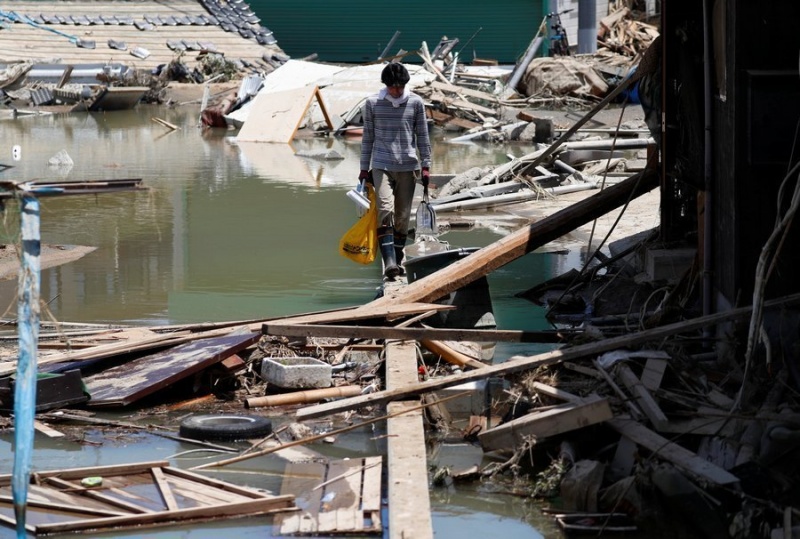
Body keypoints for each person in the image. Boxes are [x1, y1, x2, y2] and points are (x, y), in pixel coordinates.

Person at [360, 62, 432, 280]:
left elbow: (423, 135)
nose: (396, 91)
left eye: (400, 87)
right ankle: (389, 262)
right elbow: (367, 138)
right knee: (385, 209)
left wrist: (426, 165)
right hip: (381, 164)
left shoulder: (416, 103)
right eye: (392, 87)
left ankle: (398, 259)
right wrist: (363, 168)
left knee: (402, 217)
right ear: (385, 85)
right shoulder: (372, 103)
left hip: (408, 166)